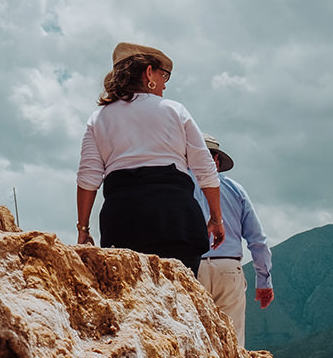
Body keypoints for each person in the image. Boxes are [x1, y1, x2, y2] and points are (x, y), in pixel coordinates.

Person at [75, 42, 224, 272]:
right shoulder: (175, 110)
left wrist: (83, 228)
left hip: (123, 221)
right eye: (163, 75)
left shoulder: (98, 119)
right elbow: (205, 168)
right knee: (179, 302)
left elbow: (88, 178)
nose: (164, 84)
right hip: (175, 220)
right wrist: (216, 219)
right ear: (148, 73)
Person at [194, 136, 274, 347]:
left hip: (193, 267)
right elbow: (257, 240)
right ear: (217, 160)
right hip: (228, 268)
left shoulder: (181, 189)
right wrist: (263, 280)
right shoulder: (236, 190)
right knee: (232, 341)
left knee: (197, 340)